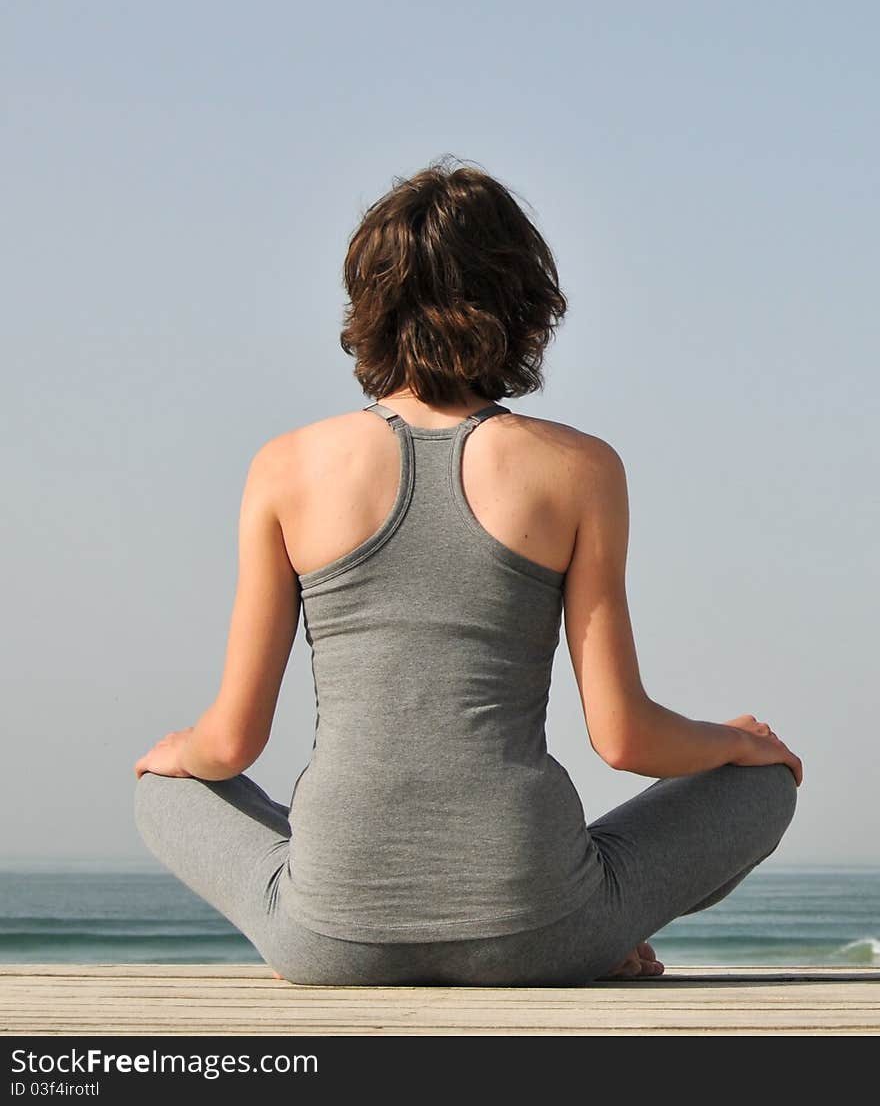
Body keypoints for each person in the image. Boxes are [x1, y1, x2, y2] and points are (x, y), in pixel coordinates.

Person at [134, 158, 800, 988]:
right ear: (523, 303)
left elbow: (231, 742)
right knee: (765, 784)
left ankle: (377, 926)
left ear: (369, 303)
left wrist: (178, 751)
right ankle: (602, 932)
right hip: (538, 928)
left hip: (330, 934)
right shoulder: (579, 468)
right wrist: (741, 742)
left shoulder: (285, 467)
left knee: (162, 790)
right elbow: (626, 738)